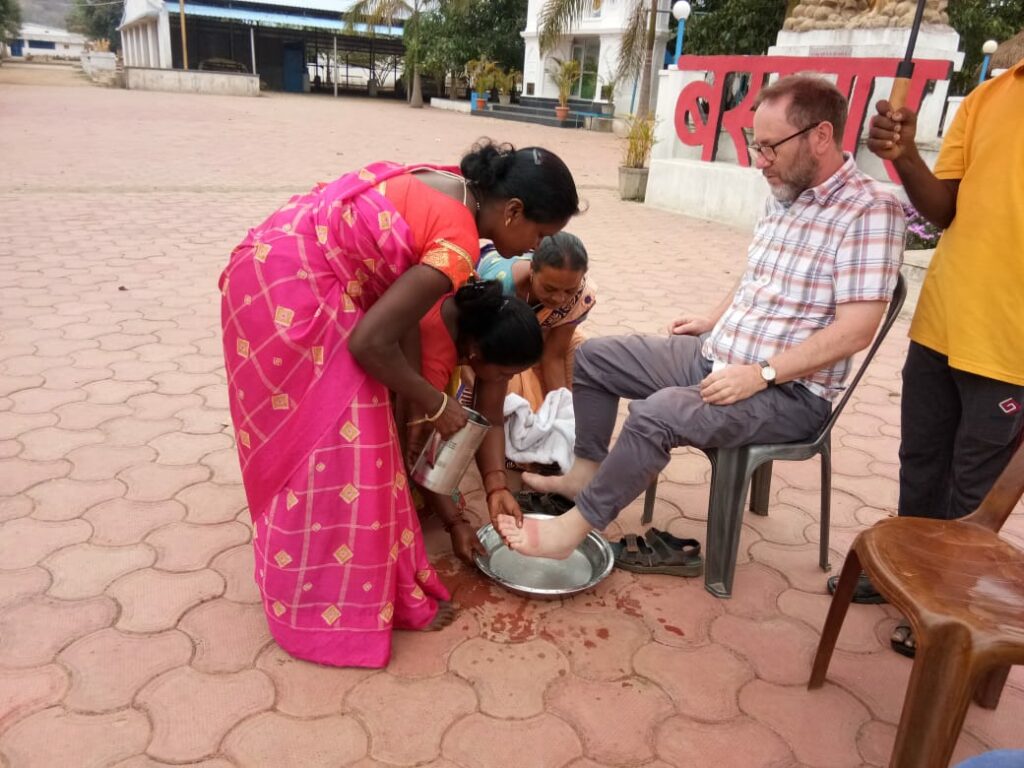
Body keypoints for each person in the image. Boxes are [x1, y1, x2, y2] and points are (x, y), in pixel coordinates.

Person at [497, 75, 905, 563]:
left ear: (820, 136)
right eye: (758, 145)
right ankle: (587, 466)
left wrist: (761, 375)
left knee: (657, 414)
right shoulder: (783, 192)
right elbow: (758, 273)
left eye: (771, 147)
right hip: (718, 355)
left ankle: (576, 526)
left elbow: (857, 329)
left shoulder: (870, 209)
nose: (760, 160)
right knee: (596, 358)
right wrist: (713, 319)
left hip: (791, 390)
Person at [219, 140, 580, 668]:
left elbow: (456, 368)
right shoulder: (458, 243)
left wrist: (492, 481)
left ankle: (352, 573)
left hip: (271, 265)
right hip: (292, 292)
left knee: (370, 446)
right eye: (539, 236)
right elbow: (370, 344)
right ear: (513, 211)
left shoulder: (451, 185)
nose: (533, 248)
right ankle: (326, 605)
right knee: (352, 455)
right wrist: (435, 405)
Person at [827, 60, 1024, 656]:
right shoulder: (992, 94)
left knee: (974, 491)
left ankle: (950, 607)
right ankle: (904, 581)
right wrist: (906, 155)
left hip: (1012, 347)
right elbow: (944, 212)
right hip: (943, 323)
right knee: (919, 463)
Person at [398, 280, 543, 564]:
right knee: (398, 460)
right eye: (503, 374)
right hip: (371, 366)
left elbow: (492, 418)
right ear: (474, 351)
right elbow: (418, 455)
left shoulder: (491, 324)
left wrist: (497, 486)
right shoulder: (430, 357)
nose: (507, 381)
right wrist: (455, 523)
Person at [475, 232, 596, 410]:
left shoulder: (580, 295)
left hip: (540, 331)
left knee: (582, 352)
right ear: (532, 269)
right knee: (517, 387)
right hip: (495, 341)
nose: (559, 299)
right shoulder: (499, 287)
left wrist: (562, 411)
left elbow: (554, 356)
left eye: (569, 290)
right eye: (549, 288)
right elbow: (477, 347)